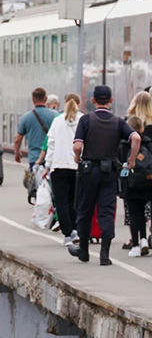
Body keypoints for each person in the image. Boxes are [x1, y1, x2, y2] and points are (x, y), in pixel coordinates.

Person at [70, 86, 140, 266]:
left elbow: (77, 146)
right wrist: (131, 160)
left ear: (93, 100)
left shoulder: (86, 120)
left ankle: (84, 250)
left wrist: (78, 157)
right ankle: (104, 254)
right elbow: (136, 138)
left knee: (85, 210)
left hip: (88, 170)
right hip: (109, 172)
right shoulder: (118, 122)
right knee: (106, 211)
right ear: (111, 100)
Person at [121, 116, 152, 257]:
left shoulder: (123, 146)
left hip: (130, 185)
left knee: (134, 213)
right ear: (142, 128)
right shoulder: (148, 143)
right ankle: (145, 239)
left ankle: (135, 244)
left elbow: (118, 167)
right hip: (147, 184)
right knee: (145, 211)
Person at [42, 94, 83, 246]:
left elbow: (50, 145)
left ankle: (68, 234)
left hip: (58, 166)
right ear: (79, 104)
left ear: (64, 104)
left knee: (61, 202)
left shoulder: (57, 121)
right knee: (75, 201)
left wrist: (47, 166)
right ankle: (76, 229)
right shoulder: (83, 119)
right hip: (76, 166)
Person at [15, 88, 59, 169]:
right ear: (46, 99)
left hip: (34, 158)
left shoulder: (26, 117)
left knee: (36, 180)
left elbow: (17, 139)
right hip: (53, 157)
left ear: (33, 100)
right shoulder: (56, 115)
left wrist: (17, 153)